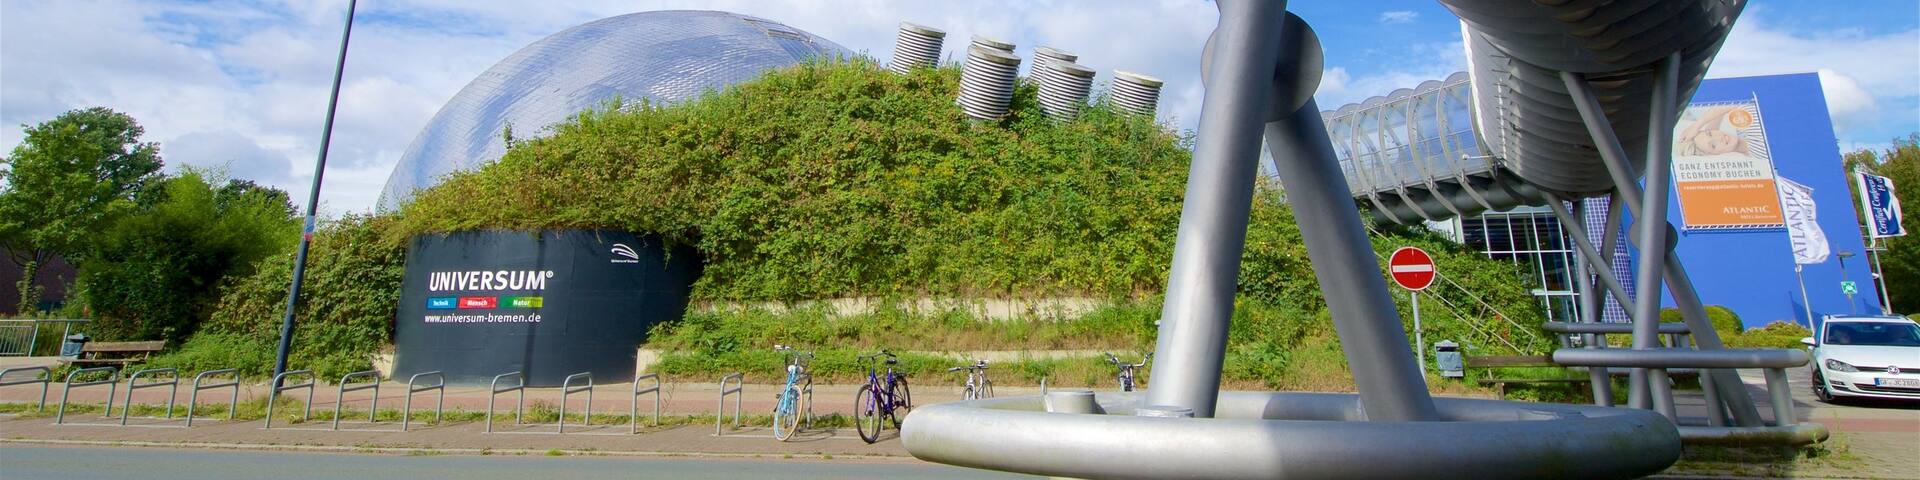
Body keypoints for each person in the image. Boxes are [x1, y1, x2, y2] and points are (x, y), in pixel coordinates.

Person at [1676, 106, 1750, 157]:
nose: (1719, 138)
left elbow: (1725, 103)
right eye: (1713, 146)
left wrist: (1696, 126)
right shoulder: (1756, 151)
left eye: (1710, 134)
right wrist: (1697, 125)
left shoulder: (1745, 122)